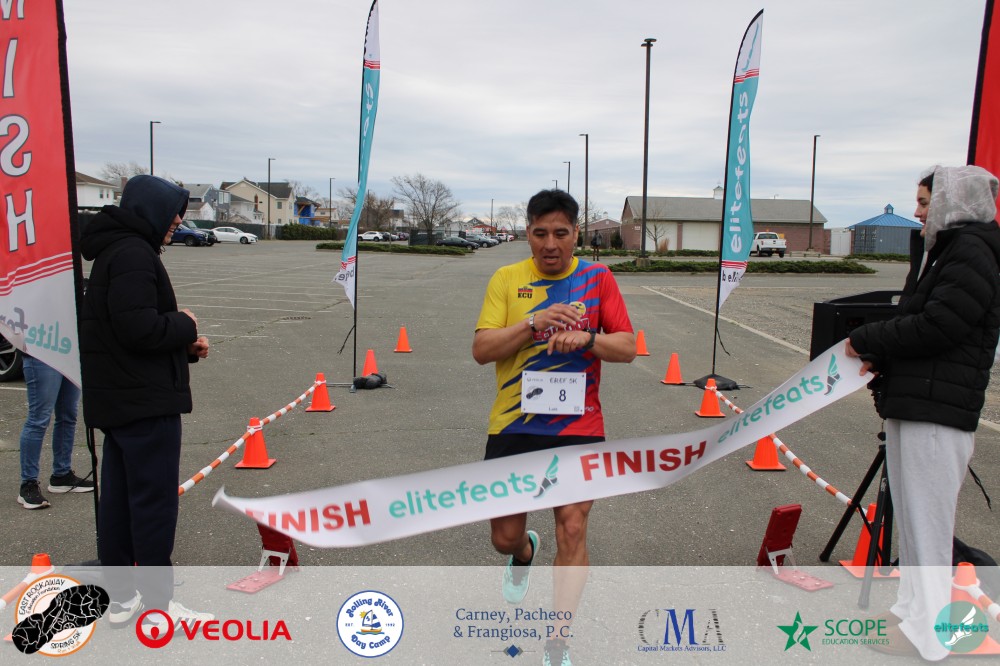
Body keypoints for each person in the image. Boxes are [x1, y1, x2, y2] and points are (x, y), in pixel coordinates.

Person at [473, 189, 636, 666]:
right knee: (503, 537)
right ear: (527, 233)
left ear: (576, 234)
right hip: (514, 426)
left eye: (560, 233)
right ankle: (523, 553)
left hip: (578, 427)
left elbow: (627, 347)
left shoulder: (598, 278)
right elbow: (482, 350)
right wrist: (533, 323)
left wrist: (588, 337)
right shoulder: (507, 279)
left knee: (572, 527)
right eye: (540, 233)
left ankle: (558, 640)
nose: (550, 244)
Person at [846, 165, 1000, 660]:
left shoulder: (972, 251)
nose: (916, 212)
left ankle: (932, 635)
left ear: (953, 201)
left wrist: (863, 338)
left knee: (928, 529)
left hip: (938, 411)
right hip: (917, 402)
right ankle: (912, 612)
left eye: (925, 202)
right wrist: (882, 355)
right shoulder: (945, 251)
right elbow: (918, 321)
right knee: (912, 523)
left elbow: (938, 326)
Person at [79, 175, 213, 631]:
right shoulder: (134, 254)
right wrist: (185, 324)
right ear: (151, 210)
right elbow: (138, 329)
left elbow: (122, 334)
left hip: (122, 401)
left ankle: (122, 599)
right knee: (153, 507)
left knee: (118, 504)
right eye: (174, 212)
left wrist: (182, 348)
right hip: (144, 405)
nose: (178, 221)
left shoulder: (116, 250)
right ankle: (158, 605)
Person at [17, 353, 93, 509]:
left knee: (68, 416)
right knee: (38, 420)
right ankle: (28, 484)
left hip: (68, 354)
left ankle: (62, 475)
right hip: (41, 353)